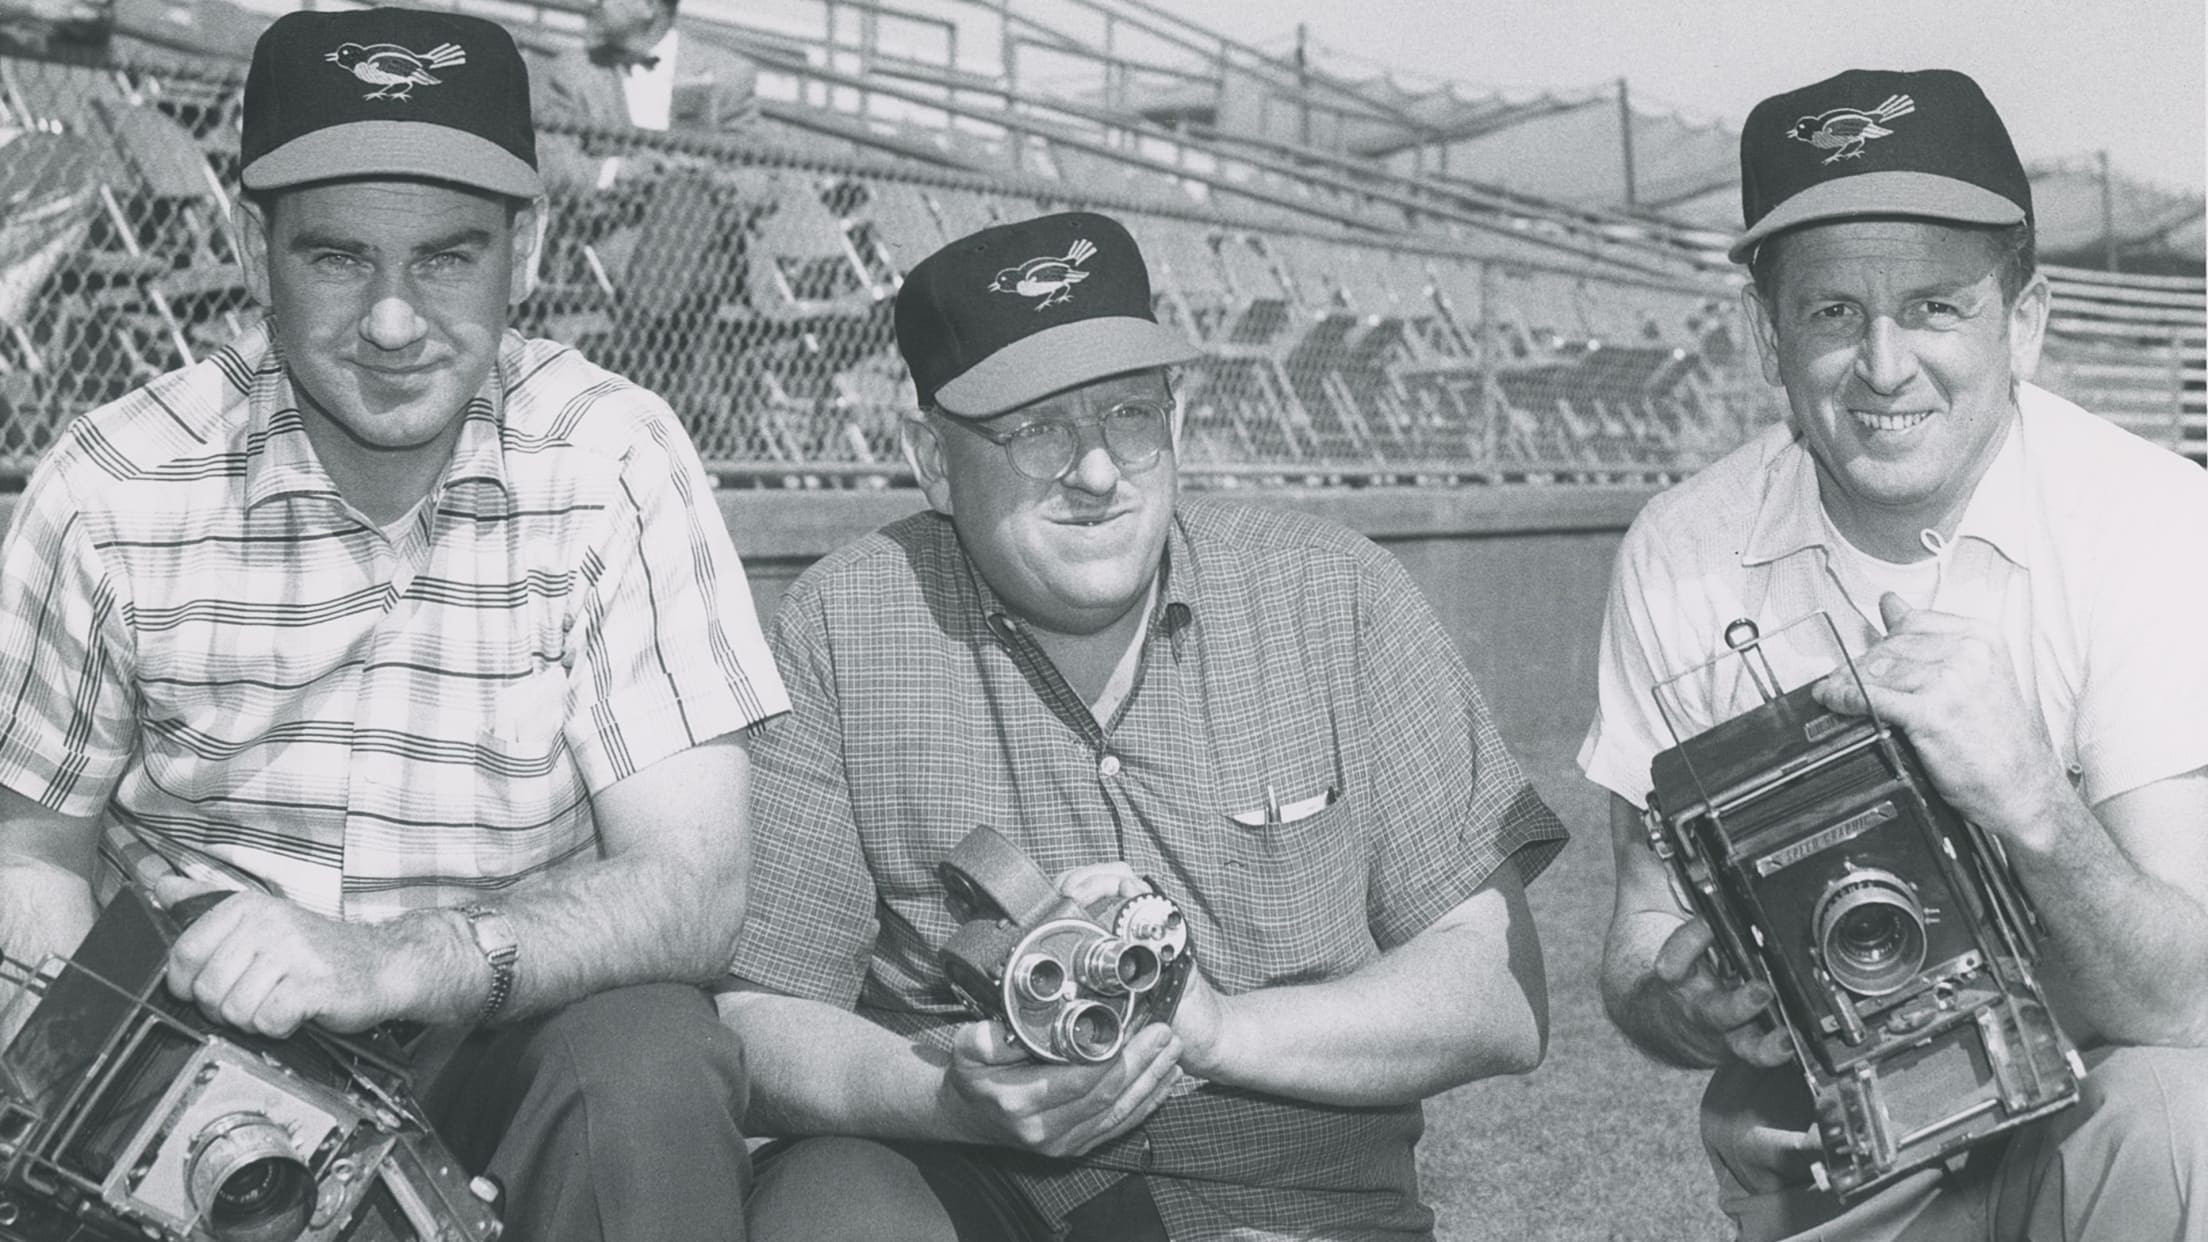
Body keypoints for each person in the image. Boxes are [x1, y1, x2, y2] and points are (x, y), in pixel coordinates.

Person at [0, 9, 788, 1242]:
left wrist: (400, 960)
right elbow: (30, 859)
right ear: (247, 246)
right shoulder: (110, 483)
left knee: (648, 1059)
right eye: (335, 257)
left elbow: (695, 888)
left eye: (446, 257)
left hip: (509, 1021)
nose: (391, 320)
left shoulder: (616, 453)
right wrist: (144, 1094)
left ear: (522, 255)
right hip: (215, 1030)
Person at [716, 208, 1568, 1242]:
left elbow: (1498, 993)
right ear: (931, 461)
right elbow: (754, 1020)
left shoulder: (1337, 595)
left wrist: (1217, 1027)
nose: (1096, 471)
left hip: (1293, 1177)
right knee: (826, 1213)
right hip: (967, 1171)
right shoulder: (843, 624)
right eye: (1036, 429)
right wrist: (946, 1093)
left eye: (1128, 413)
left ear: (1180, 418)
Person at [1579, 68, 2208, 1241]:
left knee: (2188, 1121)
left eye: (1933, 305)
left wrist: (2033, 804)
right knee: (1754, 1109)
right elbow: (1634, 946)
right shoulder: (1684, 550)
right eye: (1830, 312)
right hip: (1850, 1134)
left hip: (2105, 1095)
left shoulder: (2154, 524)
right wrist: (1705, 1004)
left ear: (2024, 322)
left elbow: (2186, 999)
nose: (1881, 364)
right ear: (1767, 339)